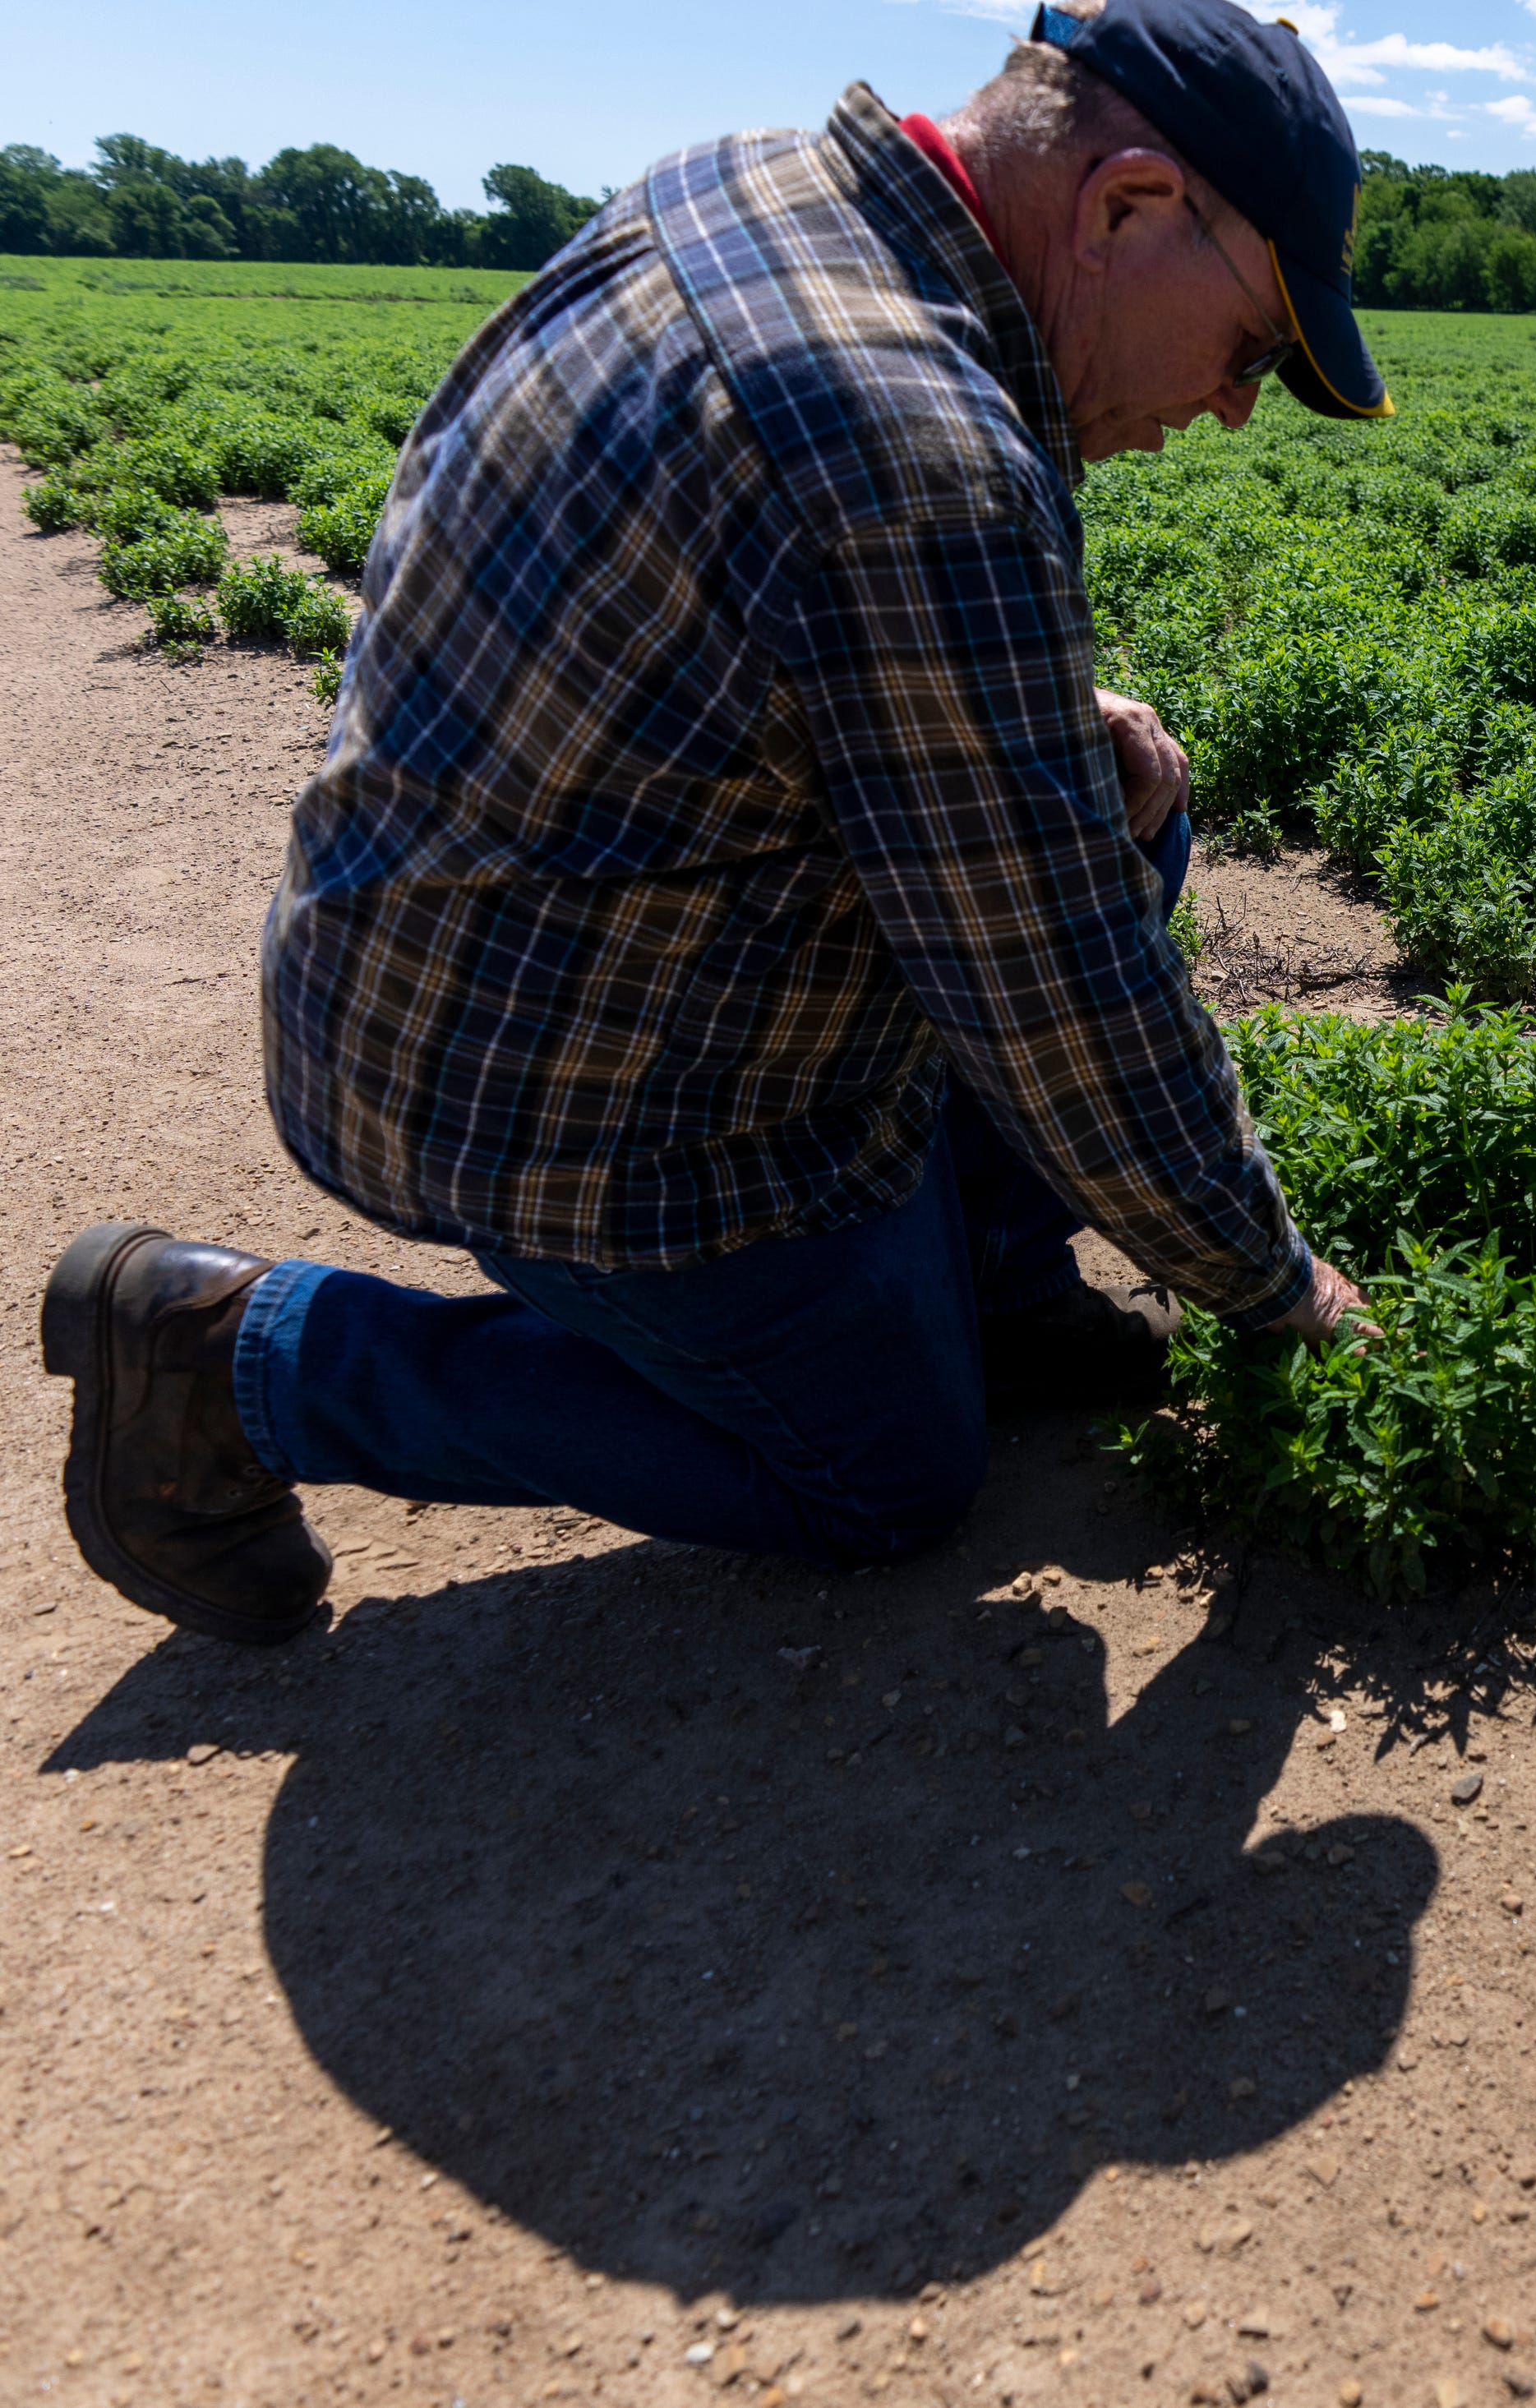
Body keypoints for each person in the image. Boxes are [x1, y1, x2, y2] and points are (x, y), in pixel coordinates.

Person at [41, 0, 1384, 1648]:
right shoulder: (912, 444)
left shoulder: (757, 185)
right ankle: (236, 1362)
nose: (1236, 407)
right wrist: (1276, 1279)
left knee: (1111, 802)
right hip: (530, 1085)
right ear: (1127, 205)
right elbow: (1060, 992)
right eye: (1252, 350)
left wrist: (1020, 722)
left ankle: (995, 1290)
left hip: (461, 927)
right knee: (885, 1472)